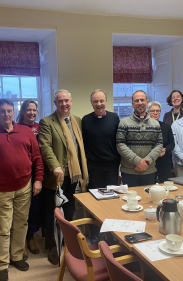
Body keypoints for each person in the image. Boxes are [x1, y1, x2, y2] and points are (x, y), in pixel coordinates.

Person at [0, 99, 43, 281]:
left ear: (14, 112)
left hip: (24, 186)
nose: (6, 114)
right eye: (2, 111)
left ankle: (16, 256)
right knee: (2, 227)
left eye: (9, 111)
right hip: (0, 189)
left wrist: (38, 179)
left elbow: (37, 157)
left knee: (21, 223)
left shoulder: (25, 131)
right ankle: (1, 264)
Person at [38, 89, 88, 265]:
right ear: (55, 103)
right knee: (53, 212)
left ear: (71, 101)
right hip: (56, 177)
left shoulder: (78, 121)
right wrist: (55, 166)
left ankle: (69, 242)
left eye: (66, 100)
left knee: (70, 209)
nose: (64, 104)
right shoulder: (46, 122)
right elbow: (45, 147)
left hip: (73, 175)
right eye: (60, 101)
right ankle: (52, 246)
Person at [82, 89, 120, 242]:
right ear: (91, 103)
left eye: (101, 101)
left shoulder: (114, 118)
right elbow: (82, 144)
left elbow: (119, 142)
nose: (99, 104)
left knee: (111, 201)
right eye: (95, 101)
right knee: (95, 201)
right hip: (93, 167)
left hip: (111, 166)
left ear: (106, 101)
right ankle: (95, 234)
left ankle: (110, 234)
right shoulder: (85, 120)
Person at [116, 90, 163, 187]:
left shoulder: (155, 124)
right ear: (132, 104)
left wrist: (146, 162)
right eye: (137, 101)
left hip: (149, 171)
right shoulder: (124, 122)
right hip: (129, 172)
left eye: (142, 100)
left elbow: (159, 145)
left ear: (147, 102)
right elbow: (120, 145)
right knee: (129, 200)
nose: (140, 103)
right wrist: (137, 161)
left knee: (149, 200)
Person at [16, 100, 41, 259]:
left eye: (34, 110)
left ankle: (31, 237)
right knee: (20, 209)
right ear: (23, 112)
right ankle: (20, 241)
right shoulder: (16, 127)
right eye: (28, 110)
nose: (31, 113)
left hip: (37, 170)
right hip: (20, 171)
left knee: (34, 207)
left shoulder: (40, 127)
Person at [148, 101, 175, 183]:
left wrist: (165, 150)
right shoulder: (144, 127)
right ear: (148, 112)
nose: (155, 113)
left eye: (158, 111)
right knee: (149, 187)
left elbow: (172, 143)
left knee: (168, 186)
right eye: (152, 111)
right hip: (149, 162)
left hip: (164, 161)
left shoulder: (166, 126)